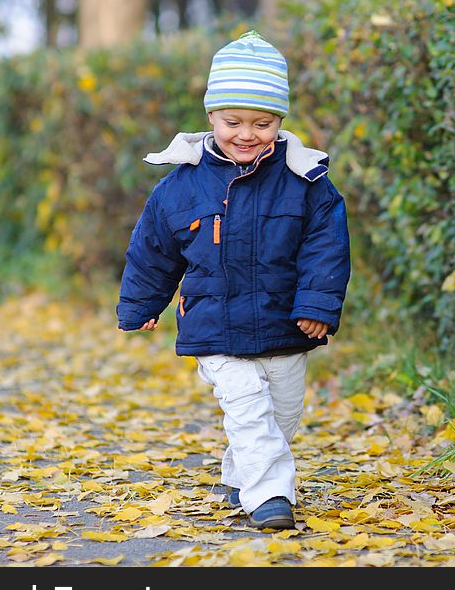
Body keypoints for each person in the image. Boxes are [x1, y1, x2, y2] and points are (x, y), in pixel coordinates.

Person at [116, 30, 351, 530]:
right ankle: (269, 498)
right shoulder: (181, 184)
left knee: (282, 415)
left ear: (280, 121)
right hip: (213, 326)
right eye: (232, 122)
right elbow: (153, 250)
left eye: (262, 123)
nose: (247, 134)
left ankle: (239, 476)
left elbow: (326, 247)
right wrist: (141, 305)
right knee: (247, 407)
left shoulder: (306, 182)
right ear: (210, 118)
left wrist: (317, 306)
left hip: (285, 323)